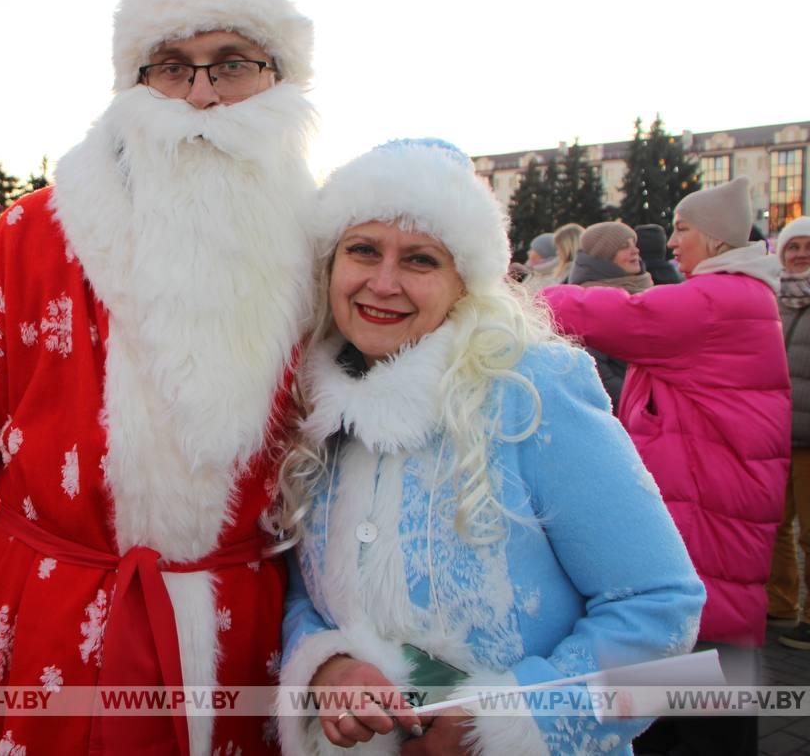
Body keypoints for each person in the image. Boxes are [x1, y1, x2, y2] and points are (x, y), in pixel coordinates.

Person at [0, 0, 316, 755]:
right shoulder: (29, 236)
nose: (201, 94)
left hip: (249, 642)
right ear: (133, 86)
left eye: (233, 64)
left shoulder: (326, 245)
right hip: (50, 634)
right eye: (171, 67)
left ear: (279, 80)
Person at [274, 139, 704, 756]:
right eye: (363, 250)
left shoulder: (531, 392)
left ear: (463, 282)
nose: (383, 282)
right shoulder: (313, 407)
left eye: (420, 259)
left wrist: (503, 722)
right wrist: (328, 663)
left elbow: (660, 607)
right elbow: (302, 592)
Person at [543, 176, 789, 755]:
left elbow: (616, 316)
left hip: (705, 526)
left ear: (717, 238)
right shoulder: (740, 297)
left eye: (681, 229)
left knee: (696, 680)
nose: (671, 243)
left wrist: (520, 296)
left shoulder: (717, 300)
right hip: (712, 510)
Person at [768, 215, 810, 651]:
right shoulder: (775, 300)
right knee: (777, 525)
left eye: (807, 248)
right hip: (780, 432)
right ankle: (780, 604)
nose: (799, 256)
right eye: (792, 247)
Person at [562, 221, 652, 406]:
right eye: (624, 247)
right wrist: (639, 403)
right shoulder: (589, 300)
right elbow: (597, 368)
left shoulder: (644, 287)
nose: (635, 251)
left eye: (634, 244)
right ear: (605, 256)